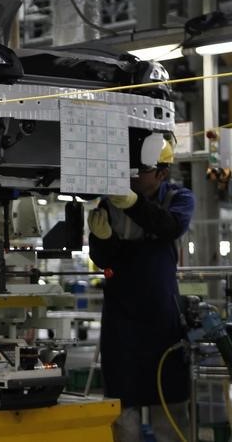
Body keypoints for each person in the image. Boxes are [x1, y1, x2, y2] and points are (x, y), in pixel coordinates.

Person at [87, 133, 195, 442]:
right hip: (121, 320)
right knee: (124, 413)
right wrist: (103, 240)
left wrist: (132, 205)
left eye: (139, 171)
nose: (131, 176)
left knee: (170, 410)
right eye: (128, 169)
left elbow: (169, 227)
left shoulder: (180, 198)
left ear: (161, 173)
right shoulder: (110, 203)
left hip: (163, 319)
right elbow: (102, 259)